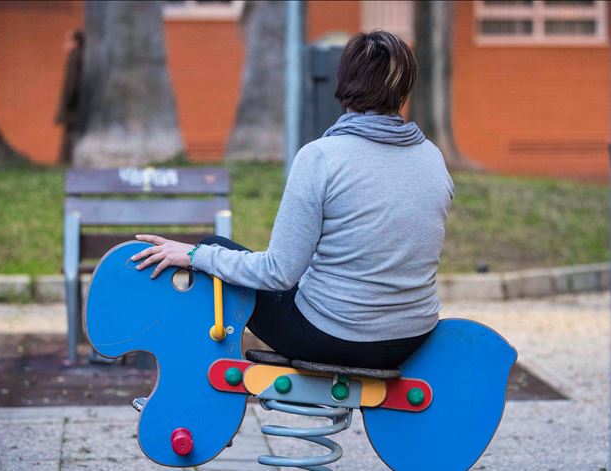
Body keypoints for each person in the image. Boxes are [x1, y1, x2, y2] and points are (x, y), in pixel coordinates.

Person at [131, 31, 454, 369]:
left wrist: (197, 256)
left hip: (335, 337)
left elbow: (278, 273)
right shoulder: (432, 157)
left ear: (343, 82)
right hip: (412, 338)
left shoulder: (322, 157)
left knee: (213, 249)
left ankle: (193, 374)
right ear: (404, 89)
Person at [55, 30, 84, 165]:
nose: (64, 45)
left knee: (70, 138)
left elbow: (72, 83)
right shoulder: (82, 56)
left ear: (75, 42)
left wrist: (67, 103)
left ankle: (67, 163)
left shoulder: (75, 57)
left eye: (67, 41)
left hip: (74, 107)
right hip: (77, 107)